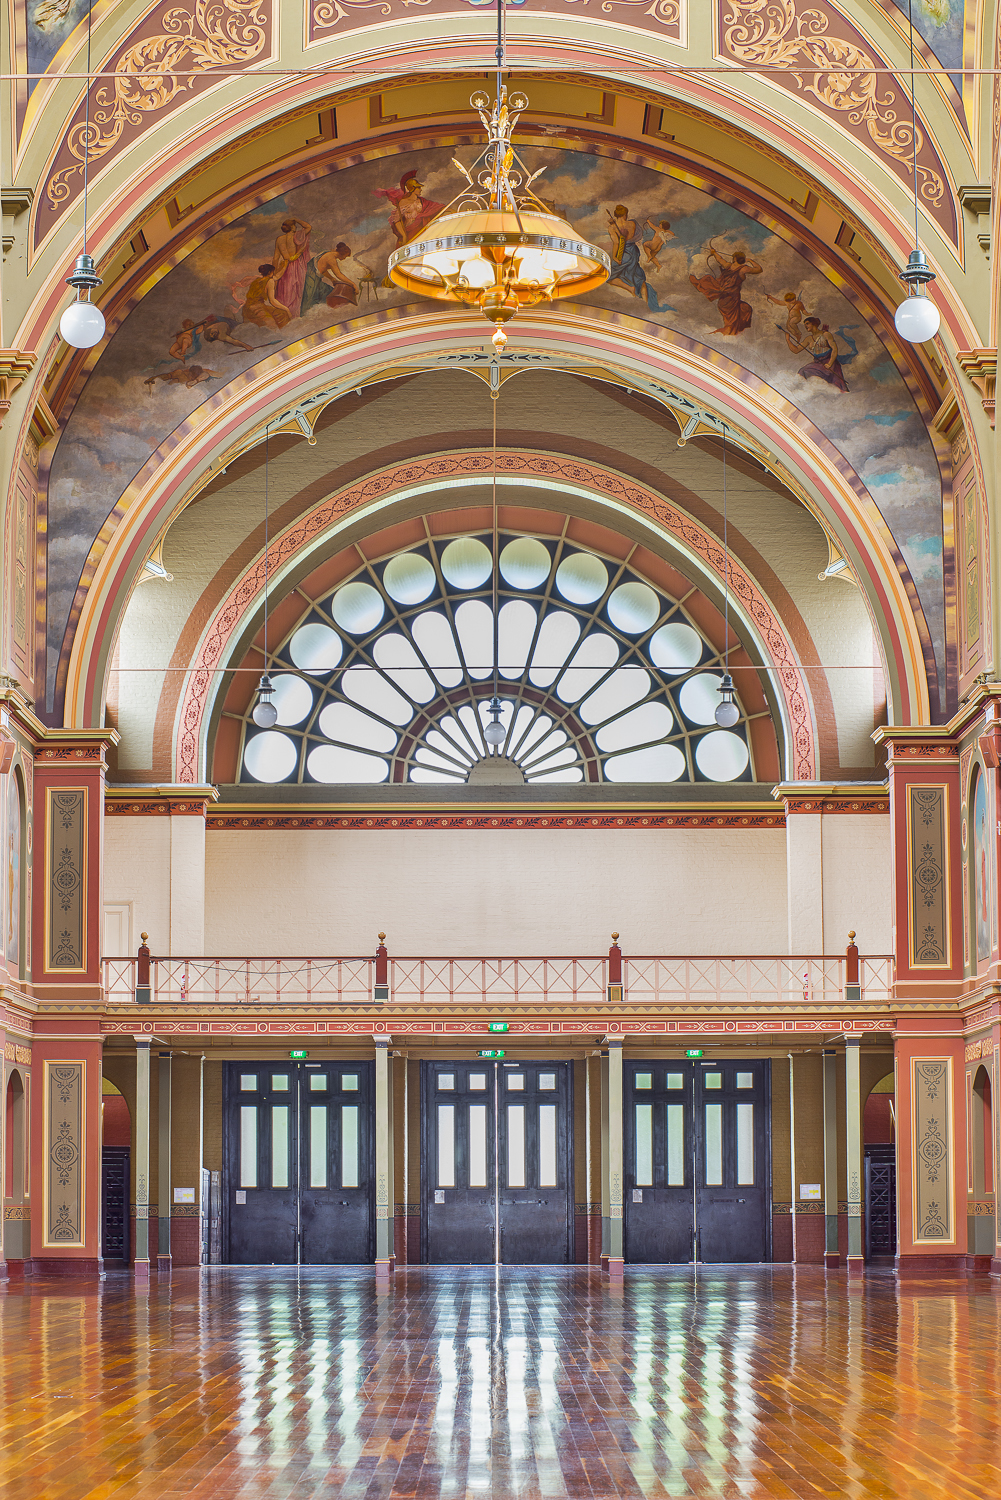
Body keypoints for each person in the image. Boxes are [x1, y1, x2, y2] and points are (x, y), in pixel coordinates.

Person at [689, 246, 762, 335]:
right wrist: (750, 260)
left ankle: (729, 330)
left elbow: (720, 259)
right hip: (732, 297)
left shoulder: (728, 266)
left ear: (734, 258)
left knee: (733, 314)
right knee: (734, 315)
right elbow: (758, 269)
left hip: (724, 297)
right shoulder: (743, 268)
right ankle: (730, 330)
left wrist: (714, 252)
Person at [605, 206, 660, 309]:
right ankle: (645, 304)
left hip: (623, 254)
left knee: (608, 275)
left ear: (616, 215)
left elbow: (617, 243)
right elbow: (634, 236)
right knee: (638, 277)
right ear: (625, 214)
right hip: (633, 252)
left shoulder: (612, 228)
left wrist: (615, 258)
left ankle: (630, 288)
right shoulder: (632, 223)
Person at [374, 172, 444, 245]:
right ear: (413, 188)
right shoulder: (403, 202)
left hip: (423, 229)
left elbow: (435, 207)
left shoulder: (422, 200)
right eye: (418, 188)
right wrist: (404, 236)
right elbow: (397, 221)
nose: (421, 190)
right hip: (411, 232)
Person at [787, 317, 848, 392]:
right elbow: (796, 350)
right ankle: (805, 391)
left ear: (814, 323)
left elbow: (834, 349)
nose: (805, 326)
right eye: (805, 324)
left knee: (833, 386)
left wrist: (829, 364)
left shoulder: (825, 334)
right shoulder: (809, 339)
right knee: (802, 371)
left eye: (807, 323)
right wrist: (788, 340)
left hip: (828, 363)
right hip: (817, 363)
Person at [272, 217, 312, 319]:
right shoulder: (297, 236)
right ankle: (295, 317)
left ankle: (287, 317)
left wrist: (274, 274)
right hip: (297, 266)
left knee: (285, 292)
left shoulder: (279, 239)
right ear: (293, 227)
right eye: (295, 225)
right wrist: (296, 219)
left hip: (284, 267)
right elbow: (308, 227)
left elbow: (275, 259)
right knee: (297, 293)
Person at [241, 264, 291, 330]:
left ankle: (283, 332)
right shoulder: (270, 281)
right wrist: (286, 309)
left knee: (281, 314)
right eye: (273, 272)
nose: (273, 274)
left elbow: (277, 277)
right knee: (278, 319)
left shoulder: (256, 281)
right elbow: (272, 301)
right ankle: (284, 334)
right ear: (270, 272)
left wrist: (284, 266)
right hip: (257, 309)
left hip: (246, 309)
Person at [144, 364, 220, 395]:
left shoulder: (200, 376)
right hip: (170, 392)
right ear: (190, 372)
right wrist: (153, 378)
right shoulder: (180, 373)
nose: (193, 378)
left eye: (195, 376)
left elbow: (206, 374)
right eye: (192, 375)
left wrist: (195, 381)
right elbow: (166, 376)